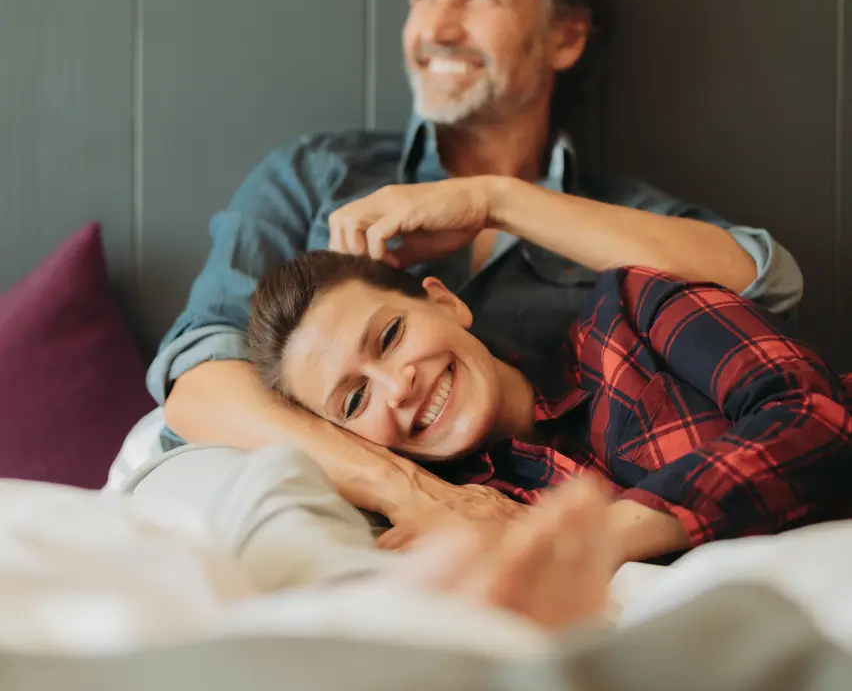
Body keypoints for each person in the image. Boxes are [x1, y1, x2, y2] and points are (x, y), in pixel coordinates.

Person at [149, 0, 804, 537]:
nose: (436, 28)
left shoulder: (619, 217)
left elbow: (766, 282)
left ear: (565, 38)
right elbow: (199, 390)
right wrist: (414, 494)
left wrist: (497, 200)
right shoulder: (314, 175)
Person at [247, 235, 852, 566]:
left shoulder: (632, 311)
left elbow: (817, 416)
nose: (397, 386)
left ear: (444, 302)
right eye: (355, 401)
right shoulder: (470, 520)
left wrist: (585, 540)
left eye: (390, 336)